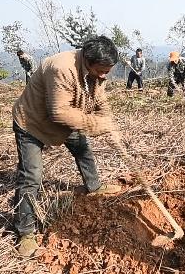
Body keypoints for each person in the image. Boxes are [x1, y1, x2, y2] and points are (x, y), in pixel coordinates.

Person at [11, 36, 123, 257]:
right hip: (32, 123)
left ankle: (94, 186)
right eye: (101, 71)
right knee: (31, 176)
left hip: (67, 120)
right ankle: (25, 232)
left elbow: (100, 101)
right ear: (88, 61)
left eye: (107, 72)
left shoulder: (98, 71)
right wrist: (96, 124)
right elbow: (59, 112)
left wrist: (109, 125)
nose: (103, 76)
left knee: (83, 150)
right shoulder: (62, 68)